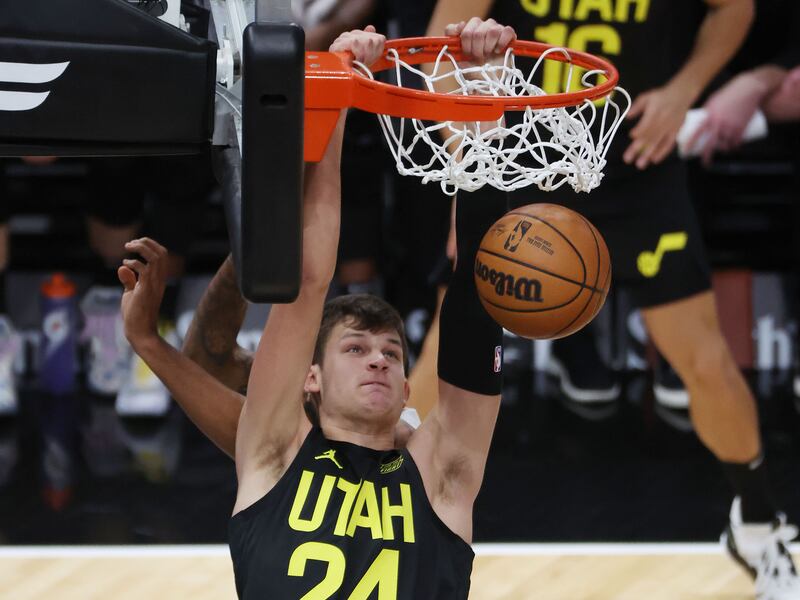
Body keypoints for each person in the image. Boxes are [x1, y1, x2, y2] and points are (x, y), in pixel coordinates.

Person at [119, 20, 515, 598]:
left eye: (391, 353)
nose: (379, 361)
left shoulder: (440, 475)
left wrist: (481, 93)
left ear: (410, 392)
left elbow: (477, 303)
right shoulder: (274, 450)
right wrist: (335, 88)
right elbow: (308, 280)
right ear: (312, 377)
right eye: (355, 349)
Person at [422, 2, 799, 599]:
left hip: (627, 152)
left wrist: (684, 89)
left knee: (704, 360)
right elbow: (439, 48)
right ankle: (393, 521)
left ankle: (756, 524)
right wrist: (470, 162)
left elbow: (736, 9)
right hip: (516, 151)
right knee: (440, 356)